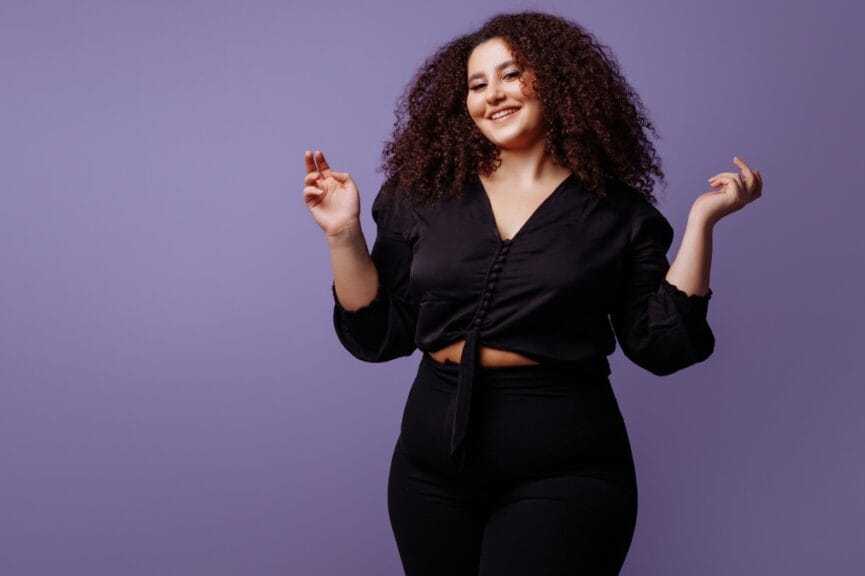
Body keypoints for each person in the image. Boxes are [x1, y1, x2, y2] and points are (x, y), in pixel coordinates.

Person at [302, 11, 761, 576]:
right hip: (430, 474)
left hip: (566, 470)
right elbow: (379, 334)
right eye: (477, 84)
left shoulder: (618, 214)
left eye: (511, 75)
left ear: (557, 81)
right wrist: (343, 234)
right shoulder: (421, 193)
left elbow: (661, 345)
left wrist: (702, 223)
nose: (492, 94)